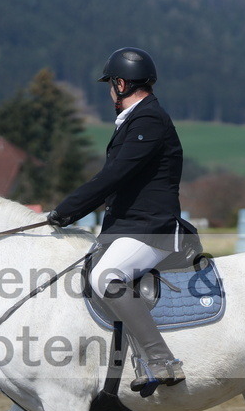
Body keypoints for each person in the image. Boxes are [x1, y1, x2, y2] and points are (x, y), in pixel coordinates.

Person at [46, 47, 195, 390]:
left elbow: (113, 176)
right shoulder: (136, 119)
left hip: (152, 229)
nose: (110, 92)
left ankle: (161, 360)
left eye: (111, 85)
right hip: (130, 227)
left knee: (107, 277)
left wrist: (65, 211)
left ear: (122, 84)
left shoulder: (148, 120)